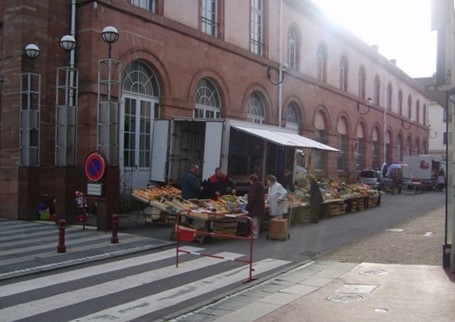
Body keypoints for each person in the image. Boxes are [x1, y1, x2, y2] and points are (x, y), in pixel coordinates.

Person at [244, 174, 265, 239]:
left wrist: (247, 207)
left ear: (251, 180)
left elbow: (252, 198)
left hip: (254, 207)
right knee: (258, 221)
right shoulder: (260, 186)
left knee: (254, 221)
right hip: (260, 206)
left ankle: (254, 235)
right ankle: (257, 233)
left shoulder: (253, 187)